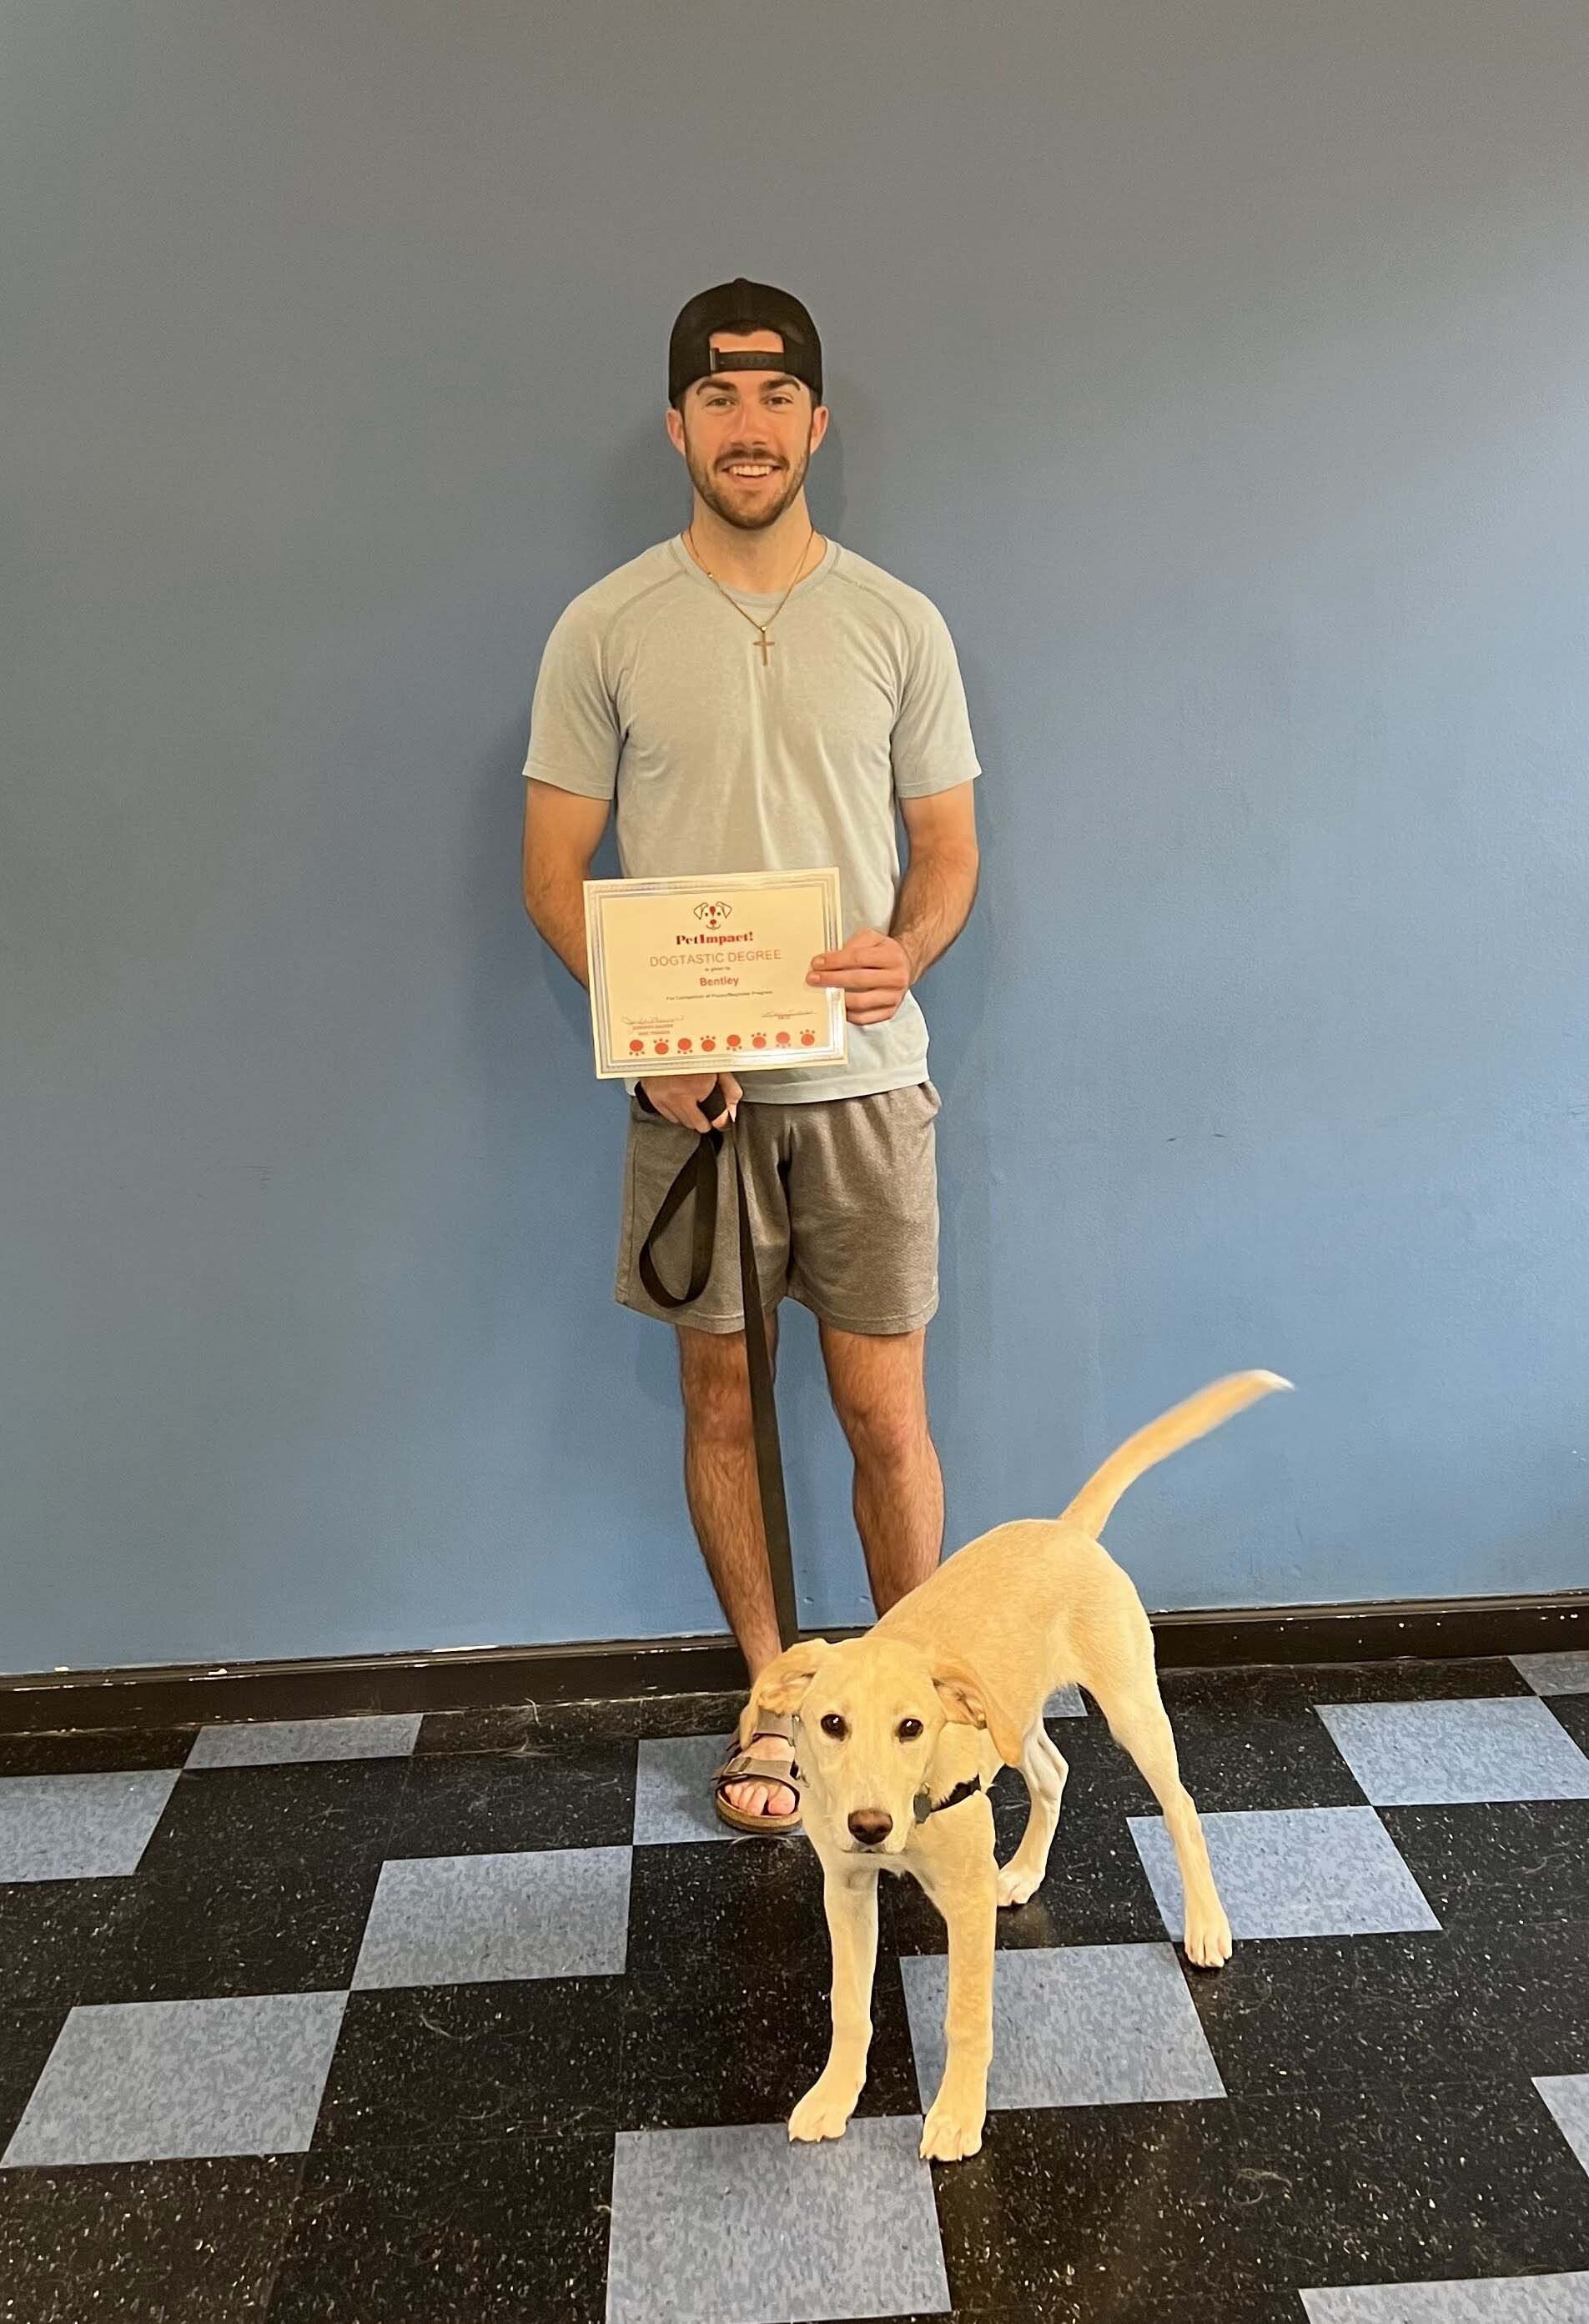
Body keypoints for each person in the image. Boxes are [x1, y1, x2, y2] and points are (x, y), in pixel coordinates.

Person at [521, 277, 981, 1832]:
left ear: (815, 421)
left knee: (884, 1420)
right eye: (717, 398)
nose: (748, 424)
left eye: (775, 395)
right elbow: (552, 871)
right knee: (722, 1410)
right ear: (676, 423)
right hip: (694, 1101)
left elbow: (949, 852)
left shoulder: (896, 619)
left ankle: (916, 1710)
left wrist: (905, 949)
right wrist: (645, 1045)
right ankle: (778, 1707)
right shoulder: (607, 625)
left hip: (864, 1090)